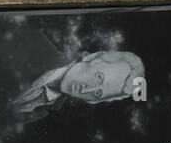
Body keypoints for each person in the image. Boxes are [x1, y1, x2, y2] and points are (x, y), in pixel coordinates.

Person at [10, 50, 145, 121]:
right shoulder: (39, 43)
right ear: (93, 57)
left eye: (98, 93)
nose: (86, 89)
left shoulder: (42, 113)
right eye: (99, 77)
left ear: (93, 101)